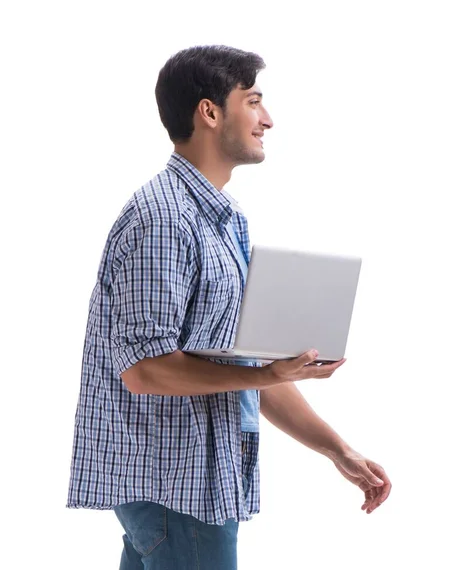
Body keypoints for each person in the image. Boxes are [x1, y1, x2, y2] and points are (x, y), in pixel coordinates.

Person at [67, 45, 391, 569]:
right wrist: (265, 372)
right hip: (175, 490)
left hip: (193, 487)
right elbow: (144, 371)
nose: (268, 119)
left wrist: (339, 450)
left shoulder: (225, 220)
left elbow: (242, 371)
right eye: (254, 101)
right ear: (210, 112)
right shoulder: (163, 220)